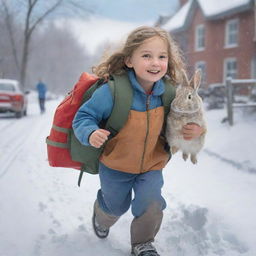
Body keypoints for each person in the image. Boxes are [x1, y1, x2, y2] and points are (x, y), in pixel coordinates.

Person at [72, 26, 204, 256]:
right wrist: (91, 132)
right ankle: (102, 215)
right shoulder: (112, 91)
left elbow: (189, 116)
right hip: (115, 165)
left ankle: (143, 243)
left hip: (152, 164)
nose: (155, 62)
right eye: (146, 55)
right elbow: (84, 117)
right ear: (129, 60)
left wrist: (195, 130)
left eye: (162, 56)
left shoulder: (171, 93)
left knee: (151, 202)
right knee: (116, 206)